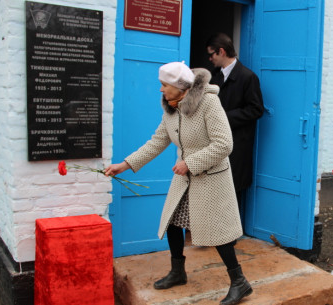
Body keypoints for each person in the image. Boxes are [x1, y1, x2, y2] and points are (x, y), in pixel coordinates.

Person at [104, 62, 253, 305]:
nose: (161, 90)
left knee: (219, 232)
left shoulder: (209, 103)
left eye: (164, 85)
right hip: (184, 178)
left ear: (179, 86)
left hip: (210, 177)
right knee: (174, 222)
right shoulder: (171, 109)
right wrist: (125, 165)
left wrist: (190, 163)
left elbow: (224, 144)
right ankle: (178, 272)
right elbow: (157, 142)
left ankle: (240, 283)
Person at [205, 33, 264, 216]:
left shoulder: (248, 77)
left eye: (212, 54)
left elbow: (256, 109)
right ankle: (214, 232)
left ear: (221, 51)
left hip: (237, 144)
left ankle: (229, 239)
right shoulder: (215, 77)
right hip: (215, 142)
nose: (210, 58)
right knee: (213, 187)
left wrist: (224, 117)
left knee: (232, 190)